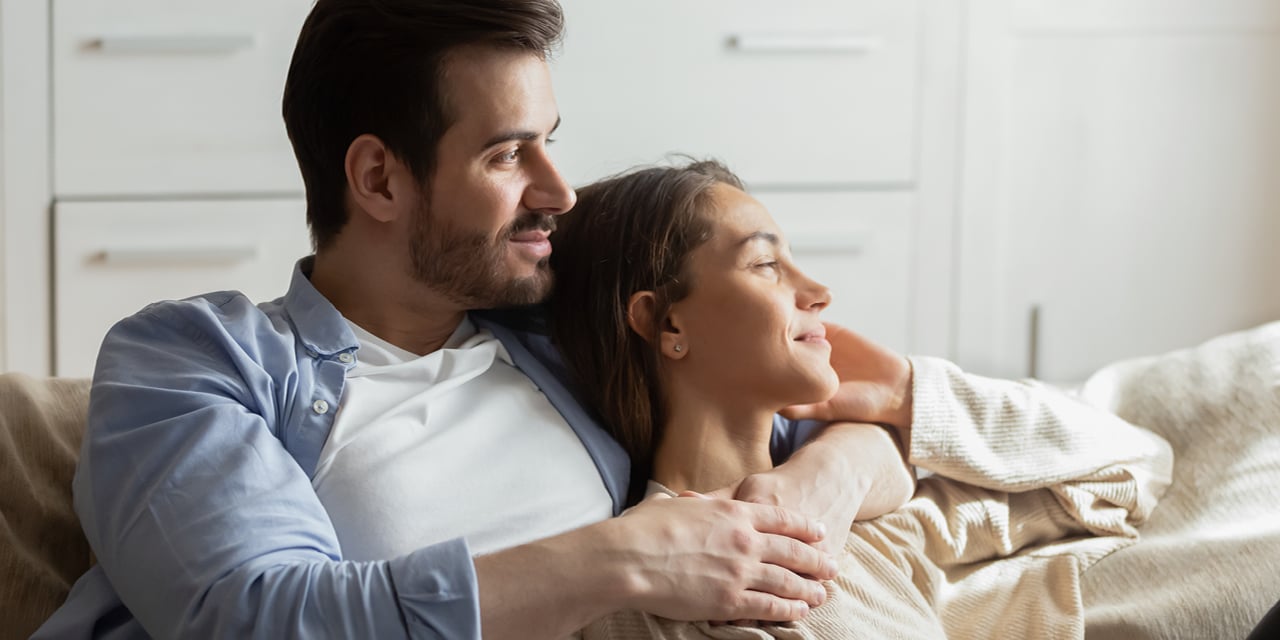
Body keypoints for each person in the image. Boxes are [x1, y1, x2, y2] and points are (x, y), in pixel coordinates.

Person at [34, 2, 919, 638]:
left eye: (550, 140)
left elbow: (846, 428)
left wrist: (806, 497)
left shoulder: (560, 333)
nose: (559, 191)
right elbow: (253, 614)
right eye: (507, 154)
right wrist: (627, 558)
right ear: (379, 179)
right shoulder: (196, 359)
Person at [546, 160, 1175, 639]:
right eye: (765, 264)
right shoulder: (639, 598)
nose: (817, 290)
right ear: (667, 326)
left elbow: (1128, 473)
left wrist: (906, 396)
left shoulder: (858, 530)